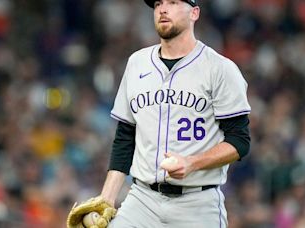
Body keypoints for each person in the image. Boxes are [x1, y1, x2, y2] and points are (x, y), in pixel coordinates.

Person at [103, 0, 251, 227]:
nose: (162, 9)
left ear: (194, 13)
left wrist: (192, 162)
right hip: (142, 200)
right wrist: (106, 198)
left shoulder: (219, 68)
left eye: (172, 2)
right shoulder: (137, 63)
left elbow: (239, 141)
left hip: (197, 203)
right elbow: (125, 136)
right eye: (158, 3)